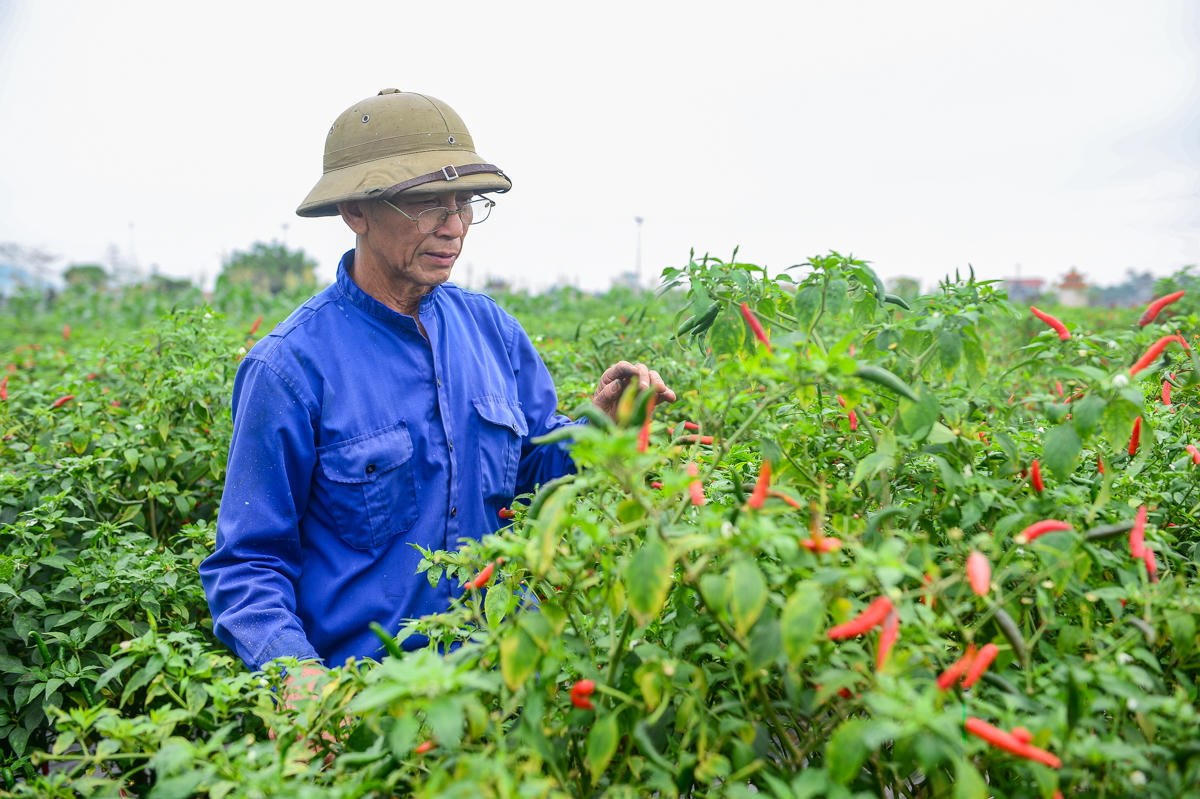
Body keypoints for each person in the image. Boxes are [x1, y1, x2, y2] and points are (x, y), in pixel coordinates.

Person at [199, 89, 675, 683]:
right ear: (355, 212)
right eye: (427, 205)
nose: (454, 227)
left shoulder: (493, 331)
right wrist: (296, 677)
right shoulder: (289, 368)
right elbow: (249, 563)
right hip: (371, 703)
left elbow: (531, 480)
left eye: (465, 204)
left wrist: (599, 426)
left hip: (503, 685)